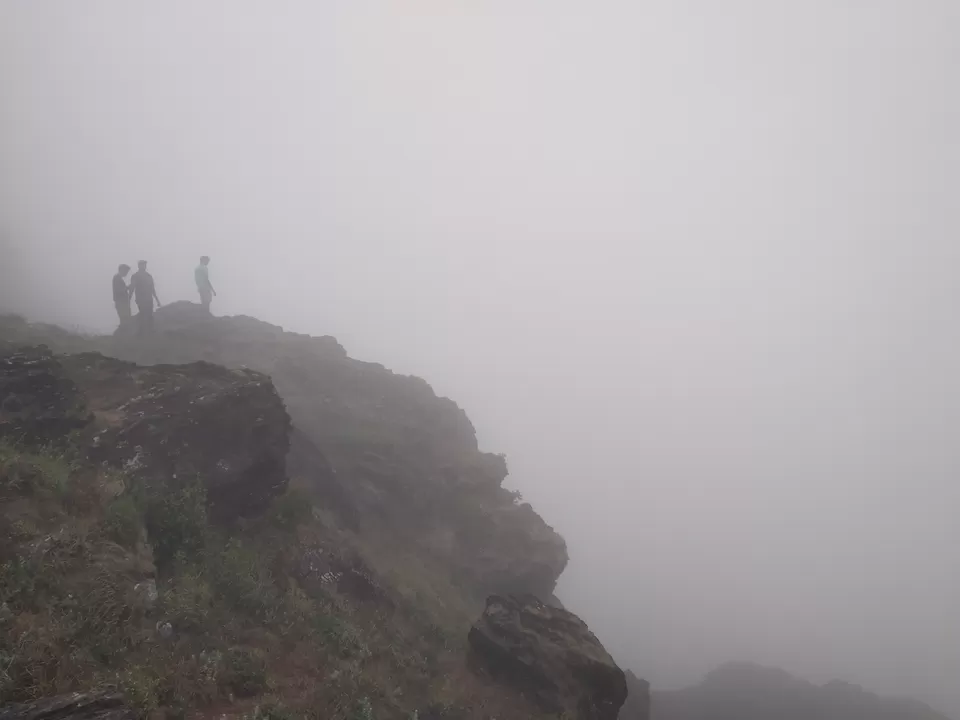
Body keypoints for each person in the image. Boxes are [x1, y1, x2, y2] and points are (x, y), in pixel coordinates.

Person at [130, 260, 161, 336]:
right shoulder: (135, 276)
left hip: (148, 298)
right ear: (139, 266)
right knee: (143, 314)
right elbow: (132, 288)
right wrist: (129, 298)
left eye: (144, 265)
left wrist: (157, 300)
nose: (144, 266)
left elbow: (152, 289)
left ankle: (150, 331)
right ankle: (142, 331)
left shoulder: (148, 276)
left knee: (149, 314)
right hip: (141, 299)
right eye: (142, 265)